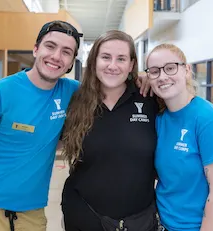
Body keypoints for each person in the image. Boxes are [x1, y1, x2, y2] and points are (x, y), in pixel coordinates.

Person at [0, 20, 84, 231]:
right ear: (35, 49)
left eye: (66, 52)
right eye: (50, 46)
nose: (56, 56)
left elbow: (109, 88)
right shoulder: (0, 92)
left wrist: (143, 81)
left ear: (71, 63)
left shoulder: (73, 91)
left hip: (32, 214)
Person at [60, 30, 161, 231]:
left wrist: (212, 117)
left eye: (121, 59)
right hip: (84, 216)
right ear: (94, 61)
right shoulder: (75, 100)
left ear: (131, 65)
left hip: (138, 221)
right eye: (105, 57)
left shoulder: (150, 98)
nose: (112, 65)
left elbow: (184, 111)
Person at [145, 43, 213, 231]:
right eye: (154, 71)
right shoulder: (160, 118)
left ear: (186, 70)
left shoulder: (208, 119)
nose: (163, 76)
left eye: (170, 68)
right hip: (162, 224)